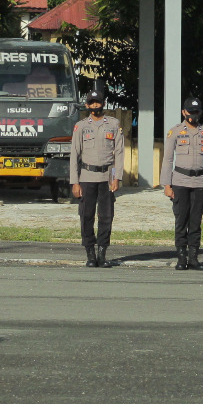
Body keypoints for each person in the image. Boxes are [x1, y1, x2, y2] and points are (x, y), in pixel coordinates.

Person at [160, 97, 203, 271]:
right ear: (184, 112)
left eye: (197, 112)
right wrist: (166, 184)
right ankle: (181, 257)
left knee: (195, 221)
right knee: (181, 220)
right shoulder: (175, 132)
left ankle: (193, 257)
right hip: (179, 181)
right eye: (190, 112)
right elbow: (168, 159)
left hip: (199, 182)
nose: (194, 115)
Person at [72, 87, 123, 268]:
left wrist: (116, 178)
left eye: (98, 102)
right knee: (86, 216)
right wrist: (75, 182)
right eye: (92, 103)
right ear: (87, 105)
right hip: (86, 176)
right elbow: (74, 155)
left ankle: (102, 253)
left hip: (107, 176)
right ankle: (90, 254)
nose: (95, 105)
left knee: (106, 216)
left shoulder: (114, 124)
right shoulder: (81, 126)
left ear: (103, 104)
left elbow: (119, 153)